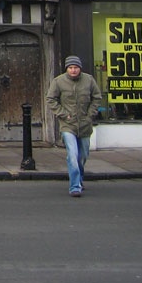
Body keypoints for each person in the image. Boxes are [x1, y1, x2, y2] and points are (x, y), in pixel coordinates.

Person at [46, 55, 102, 197]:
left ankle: (80, 178)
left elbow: (97, 98)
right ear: (66, 69)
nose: (73, 70)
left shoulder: (88, 80)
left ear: (80, 68)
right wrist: (63, 114)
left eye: (76, 68)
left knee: (82, 155)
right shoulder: (58, 81)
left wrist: (90, 115)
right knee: (72, 154)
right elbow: (51, 99)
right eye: (70, 68)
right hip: (68, 124)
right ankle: (74, 186)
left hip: (84, 124)